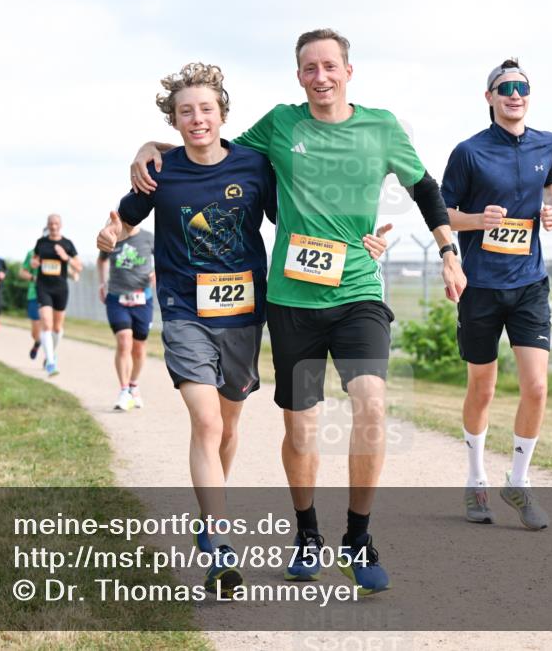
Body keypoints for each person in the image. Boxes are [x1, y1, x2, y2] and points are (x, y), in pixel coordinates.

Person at [130, 31, 466, 595]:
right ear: (299, 77)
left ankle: (358, 537)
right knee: (303, 428)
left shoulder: (382, 127)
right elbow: (211, 147)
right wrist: (149, 146)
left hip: (358, 289)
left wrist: (449, 251)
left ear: (348, 71)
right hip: (291, 301)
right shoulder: (281, 126)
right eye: (310, 68)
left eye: (330, 66)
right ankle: (307, 535)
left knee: (371, 405)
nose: (321, 76)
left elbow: (425, 189)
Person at [105, 62, 393, 597]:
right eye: (185, 112)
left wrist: (360, 242)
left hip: (242, 315)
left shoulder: (254, 165)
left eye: (206, 109)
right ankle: (217, 541)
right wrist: (110, 231)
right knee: (207, 421)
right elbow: (126, 215)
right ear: (174, 119)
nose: (197, 119)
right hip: (185, 310)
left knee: (229, 427)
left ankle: (211, 515)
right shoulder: (161, 170)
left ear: (222, 114)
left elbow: (298, 218)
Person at [441, 58, 552, 530]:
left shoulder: (547, 143)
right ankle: (475, 481)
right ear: (489, 97)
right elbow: (445, 214)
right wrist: (478, 221)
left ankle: (518, 480)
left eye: (522, 87)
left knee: (536, 385)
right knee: (483, 387)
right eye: (505, 87)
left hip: (530, 282)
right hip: (481, 287)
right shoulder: (469, 152)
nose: (515, 94)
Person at [97, 217, 155, 411]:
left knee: (138, 347)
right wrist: (102, 283)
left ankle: (134, 385)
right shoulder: (113, 237)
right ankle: (123, 391)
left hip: (142, 299)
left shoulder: (148, 238)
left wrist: (157, 273)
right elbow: (101, 260)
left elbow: (165, 258)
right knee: (124, 341)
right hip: (117, 298)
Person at [33, 214, 82, 375]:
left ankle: (50, 353)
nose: (53, 226)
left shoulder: (67, 244)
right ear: (48, 225)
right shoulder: (41, 243)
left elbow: (78, 267)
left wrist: (65, 257)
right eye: (51, 224)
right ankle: (51, 364)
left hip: (60, 288)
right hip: (43, 286)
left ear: (60, 225)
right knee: (46, 324)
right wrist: (34, 263)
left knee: (57, 327)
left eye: (56, 224)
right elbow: (35, 260)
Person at [19, 243, 44, 360]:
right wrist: (34, 278)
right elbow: (22, 272)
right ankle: (37, 343)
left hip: (53, 293)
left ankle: (50, 356)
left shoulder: (60, 251)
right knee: (35, 332)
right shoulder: (32, 253)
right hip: (35, 293)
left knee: (50, 327)